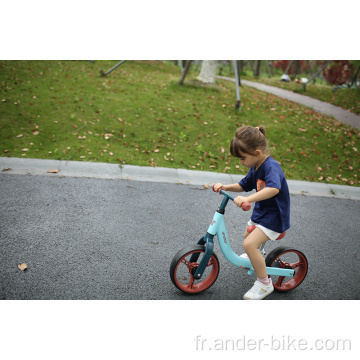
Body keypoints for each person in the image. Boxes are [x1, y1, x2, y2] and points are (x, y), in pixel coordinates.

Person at [213, 125, 290, 300]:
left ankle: (264, 283)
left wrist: (248, 199)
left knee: (249, 245)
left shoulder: (271, 168)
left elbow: (273, 189)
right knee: (248, 238)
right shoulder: (256, 165)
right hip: (263, 213)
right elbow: (243, 185)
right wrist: (225, 186)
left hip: (274, 217)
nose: (240, 162)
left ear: (256, 153)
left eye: (242, 158)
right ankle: (258, 256)